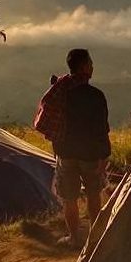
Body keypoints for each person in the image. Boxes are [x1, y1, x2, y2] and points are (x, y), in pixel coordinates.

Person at [36, 48, 110, 247]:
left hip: (66, 153)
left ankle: (75, 238)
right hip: (90, 155)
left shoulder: (61, 91)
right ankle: (95, 239)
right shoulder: (96, 96)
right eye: (91, 63)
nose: (93, 66)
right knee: (94, 195)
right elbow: (102, 129)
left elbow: (49, 120)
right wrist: (104, 156)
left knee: (69, 198)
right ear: (85, 67)